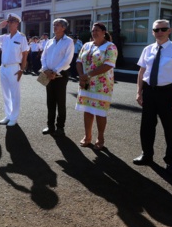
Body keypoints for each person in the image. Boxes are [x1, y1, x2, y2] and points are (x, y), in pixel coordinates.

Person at [133, 20, 172, 174]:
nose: (159, 32)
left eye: (163, 29)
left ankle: (171, 162)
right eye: (156, 30)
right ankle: (147, 155)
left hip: (168, 93)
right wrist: (139, 92)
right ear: (152, 32)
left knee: (170, 129)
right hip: (149, 92)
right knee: (146, 126)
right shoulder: (147, 49)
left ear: (169, 30)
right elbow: (141, 72)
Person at [75, 22, 117, 150]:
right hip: (86, 83)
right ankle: (87, 136)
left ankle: (100, 138)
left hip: (102, 85)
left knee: (100, 112)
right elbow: (78, 61)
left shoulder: (110, 46)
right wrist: (82, 76)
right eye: (93, 30)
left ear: (104, 32)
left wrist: (88, 75)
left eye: (97, 30)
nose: (94, 33)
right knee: (87, 111)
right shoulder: (87, 45)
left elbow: (108, 64)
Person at [0, 13, 29, 127]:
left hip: (14, 67)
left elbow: (25, 53)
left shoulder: (21, 37)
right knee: (5, 93)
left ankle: (14, 117)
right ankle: (8, 115)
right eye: (8, 22)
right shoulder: (5, 37)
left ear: (16, 24)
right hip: (3, 68)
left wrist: (22, 69)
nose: (9, 24)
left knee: (15, 94)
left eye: (11, 22)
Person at [40, 18, 74, 137]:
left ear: (64, 28)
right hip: (48, 74)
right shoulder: (49, 41)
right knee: (50, 101)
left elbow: (67, 60)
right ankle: (50, 126)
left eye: (58, 25)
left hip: (60, 75)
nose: (55, 27)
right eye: (54, 25)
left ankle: (60, 127)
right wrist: (46, 69)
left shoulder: (68, 41)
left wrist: (55, 71)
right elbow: (43, 56)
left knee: (60, 102)